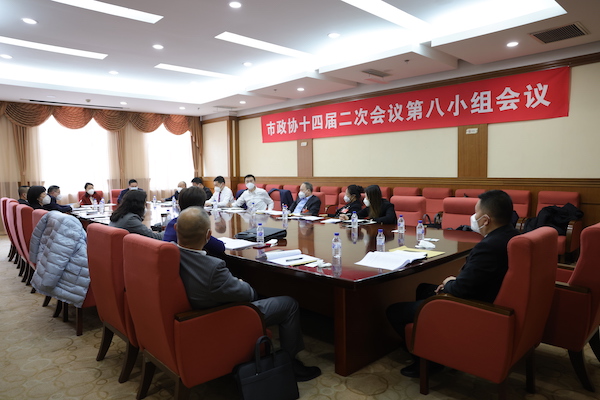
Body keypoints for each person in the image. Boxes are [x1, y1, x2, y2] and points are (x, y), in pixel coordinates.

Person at [175, 206, 321, 382]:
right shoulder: (212, 267)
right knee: (288, 304)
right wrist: (239, 282)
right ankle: (289, 364)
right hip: (220, 317)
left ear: (176, 229)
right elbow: (249, 295)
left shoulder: (170, 254)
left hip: (193, 315)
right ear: (208, 235)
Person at [385, 190, 519, 377]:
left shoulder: (489, 246)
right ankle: (422, 343)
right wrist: (455, 281)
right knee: (423, 289)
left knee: (394, 311)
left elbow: (461, 289)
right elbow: (479, 276)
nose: (473, 217)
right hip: (485, 292)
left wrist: (450, 284)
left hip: (473, 307)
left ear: (486, 220)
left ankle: (431, 362)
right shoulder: (511, 234)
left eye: (476, 213)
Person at [163, 186, 225, 255]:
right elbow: (220, 247)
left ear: (179, 205)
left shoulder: (172, 223)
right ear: (201, 206)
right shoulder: (196, 224)